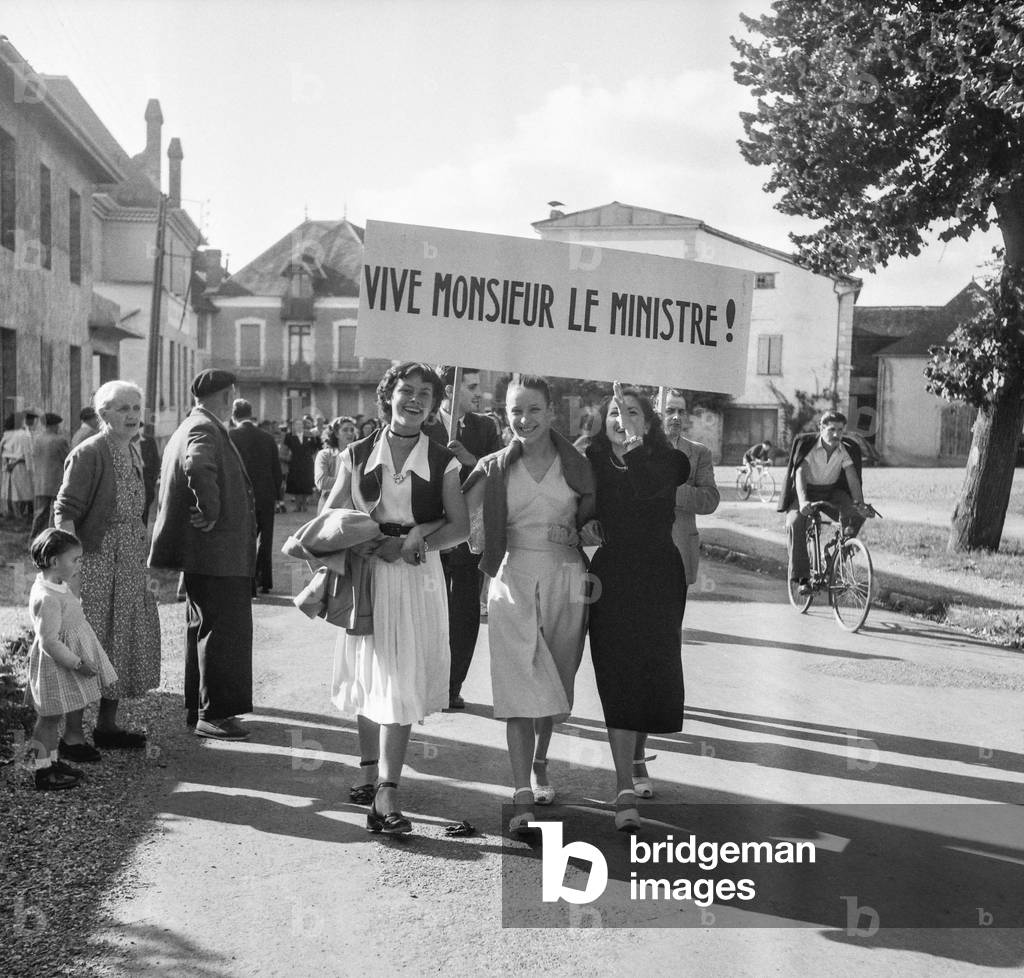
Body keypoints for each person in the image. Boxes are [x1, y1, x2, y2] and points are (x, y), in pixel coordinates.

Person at [324, 362, 469, 835]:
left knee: (401, 678)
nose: (415, 399)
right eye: (406, 390)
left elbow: (461, 526)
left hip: (415, 575)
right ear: (388, 395)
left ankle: (387, 793)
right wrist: (365, 541)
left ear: (434, 404)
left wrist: (418, 536)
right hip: (368, 572)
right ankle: (370, 774)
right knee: (372, 673)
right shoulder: (356, 453)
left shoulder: (444, 459)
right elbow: (330, 518)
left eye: (426, 393)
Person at [463, 375, 594, 836]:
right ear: (505, 413)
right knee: (518, 683)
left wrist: (588, 533)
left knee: (554, 682)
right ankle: (521, 796)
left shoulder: (577, 464)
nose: (524, 420)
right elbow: (460, 516)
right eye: (516, 410)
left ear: (551, 411)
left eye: (534, 410)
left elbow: (597, 520)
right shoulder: (495, 466)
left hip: (566, 577)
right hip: (511, 576)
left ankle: (540, 763)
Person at [584, 384, 690, 831]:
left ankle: (638, 759)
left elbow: (649, 490)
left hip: (659, 576)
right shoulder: (589, 460)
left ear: (649, 420)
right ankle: (623, 783)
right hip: (612, 576)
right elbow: (572, 503)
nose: (621, 418)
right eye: (614, 411)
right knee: (616, 673)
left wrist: (635, 449)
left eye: (631, 411)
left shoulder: (670, 460)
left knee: (649, 671)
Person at [149, 369, 257, 741]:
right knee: (223, 632)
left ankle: (200, 708)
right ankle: (215, 715)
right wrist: (210, 511)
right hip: (219, 552)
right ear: (228, 396)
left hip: (207, 555)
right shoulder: (205, 429)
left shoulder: (191, 424)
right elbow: (197, 464)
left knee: (204, 628)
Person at [55, 381, 160, 752]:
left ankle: (107, 726)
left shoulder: (133, 449)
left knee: (121, 638)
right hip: (96, 560)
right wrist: (70, 570)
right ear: (102, 415)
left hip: (128, 560)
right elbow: (64, 513)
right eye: (121, 408)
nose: (132, 415)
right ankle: (71, 735)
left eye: (136, 406)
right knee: (86, 642)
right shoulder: (90, 453)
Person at [424, 366, 503, 709]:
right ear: (449, 390)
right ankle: (428, 681)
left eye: (478, 387)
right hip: (431, 537)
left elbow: (500, 477)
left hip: (469, 539)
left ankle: (452, 686)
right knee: (430, 612)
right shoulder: (424, 426)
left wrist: (473, 461)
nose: (478, 393)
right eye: (470, 386)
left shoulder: (485, 427)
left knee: (465, 615)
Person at [25, 528, 117, 789]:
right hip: (56, 666)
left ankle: (52, 762)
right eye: (75, 559)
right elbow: (49, 641)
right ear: (54, 562)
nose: (80, 564)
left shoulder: (54, 584)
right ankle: (43, 772)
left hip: (60, 665)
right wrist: (78, 663)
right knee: (49, 719)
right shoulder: (48, 597)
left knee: (54, 718)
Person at [781, 411, 868, 594]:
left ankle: (834, 558)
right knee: (796, 522)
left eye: (840, 430)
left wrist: (859, 503)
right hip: (804, 491)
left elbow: (852, 478)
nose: (836, 434)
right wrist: (803, 501)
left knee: (856, 515)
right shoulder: (809, 446)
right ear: (821, 428)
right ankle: (803, 578)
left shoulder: (844, 450)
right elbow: (800, 474)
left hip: (830, 492)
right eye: (831, 429)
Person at [662, 391, 720, 597]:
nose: (676, 417)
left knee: (672, 623)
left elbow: (710, 499)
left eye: (681, 411)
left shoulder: (699, 453)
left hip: (680, 549)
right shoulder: (636, 448)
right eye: (669, 410)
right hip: (641, 553)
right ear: (656, 410)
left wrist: (671, 491)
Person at [229, 398, 284, 595]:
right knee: (265, 539)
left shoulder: (230, 436)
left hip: (240, 496)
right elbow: (276, 470)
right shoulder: (267, 438)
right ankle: (264, 581)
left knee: (245, 539)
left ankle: (247, 583)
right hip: (266, 495)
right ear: (251, 414)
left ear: (233, 415)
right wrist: (279, 496)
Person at [31, 413, 70, 538]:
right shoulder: (60, 440)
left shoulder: (37, 439)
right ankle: (51, 538)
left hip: (40, 482)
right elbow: (67, 459)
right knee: (55, 513)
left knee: (40, 512)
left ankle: (34, 537)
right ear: (54, 425)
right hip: (56, 481)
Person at [314, 416, 358, 513]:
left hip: (354, 510)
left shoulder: (359, 454)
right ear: (336, 433)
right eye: (345, 430)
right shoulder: (325, 455)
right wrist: (350, 482)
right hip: (330, 508)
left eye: (352, 430)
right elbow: (321, 482)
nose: (350, 433)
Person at [3, 410, 37, 521]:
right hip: (21, 465)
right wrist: (30, 468)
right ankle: (22, 515)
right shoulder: (23, 435)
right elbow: (27, 452)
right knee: (24, 491)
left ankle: (15, 514)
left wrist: (7, 463)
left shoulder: (7, 435)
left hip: (10, 464)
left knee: (13, 491)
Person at [284, 416, 317, 512]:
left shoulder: (309, 435)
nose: (298, 426)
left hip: (307, 462)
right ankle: (298, 505)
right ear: (293, 426)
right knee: (296, 484)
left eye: (300, 424)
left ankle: (304, 504)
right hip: (295, 462)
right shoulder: (289, 436)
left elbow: (315, 446)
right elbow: (286, 448)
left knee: (306, 483)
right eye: (296, 424)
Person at [138, 423, 162, 526]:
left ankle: (142, 539)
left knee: (144, 515)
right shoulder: (123, 442)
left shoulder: (149, 441)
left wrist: (151, 482)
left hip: (146, 484)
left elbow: (156, 463)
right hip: (129, 482)